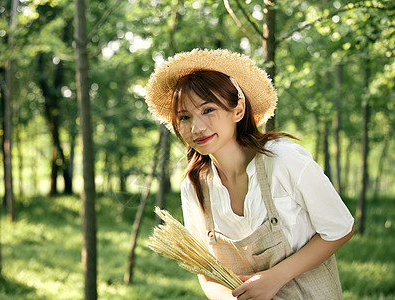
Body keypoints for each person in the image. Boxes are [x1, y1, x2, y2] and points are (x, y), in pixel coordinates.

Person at [144, 48, 355, 300]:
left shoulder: (282, 160)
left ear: (238, 110)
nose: (196, 127)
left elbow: (340, 228)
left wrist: (275, 278)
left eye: (208, 110)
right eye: (185, 117)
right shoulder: (195, 185)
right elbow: (207, 272)